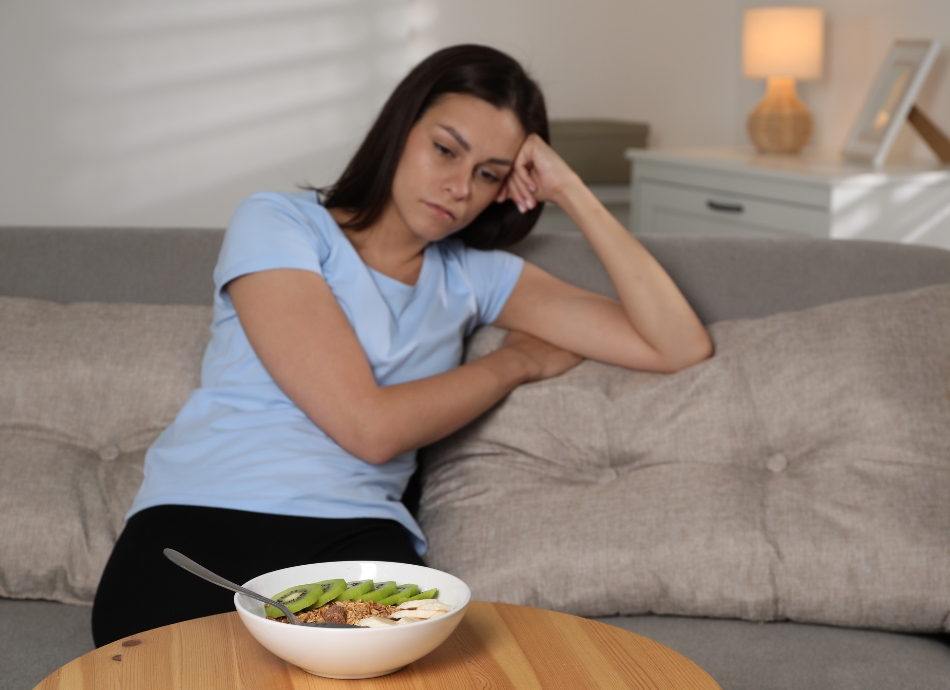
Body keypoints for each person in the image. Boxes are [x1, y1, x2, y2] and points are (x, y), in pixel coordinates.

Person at [91, 44, 712, 646]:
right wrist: (515, 363)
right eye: (445, 149)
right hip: (204, 516)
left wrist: (572, 190)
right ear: (401, 128)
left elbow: (678, 345)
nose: (458, 187)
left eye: (488, 174)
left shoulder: (477, 276)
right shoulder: (280, 223)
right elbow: (369, 428)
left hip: (356, 543)